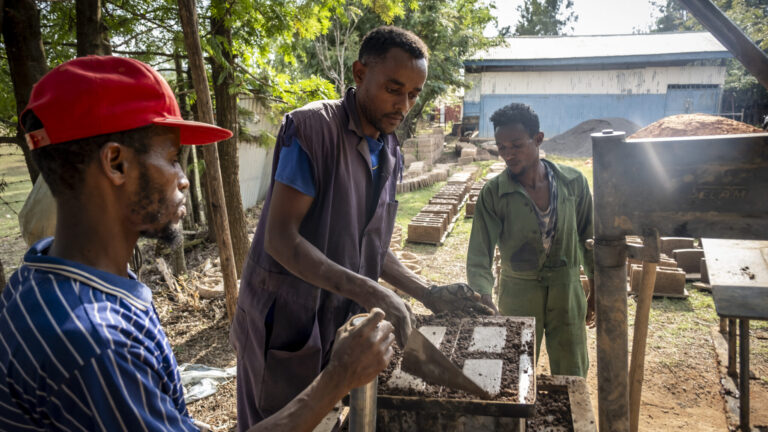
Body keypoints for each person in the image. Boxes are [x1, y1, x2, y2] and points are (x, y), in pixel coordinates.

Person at [0, 55, 396, 432]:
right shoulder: (95, 344)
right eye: (173, 158)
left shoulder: (45, 275)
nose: (184, 178)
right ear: (116, 163)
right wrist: (338, 377)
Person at [231, 25, 491, 428]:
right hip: (287, 322)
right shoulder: (312, 129)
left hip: (338, 318)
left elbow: (369, 243)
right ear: (358, 74)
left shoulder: (389, 150)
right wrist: (371, 290)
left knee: (332, 415)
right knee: (283, 422)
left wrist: (427, 292)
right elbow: (281, 239)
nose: (404, 105)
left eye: (414, 94)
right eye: (393, 89)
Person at [466, 103, 595, 378]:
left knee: (572, 373)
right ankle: (517, 422)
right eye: (501, 147)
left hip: (567, 292)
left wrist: (596, 286)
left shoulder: (574, 183)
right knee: (512, 372)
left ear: (538, 139)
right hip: (517, 293)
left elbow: (589, 238)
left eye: (516, 145)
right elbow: (479, 254)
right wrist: (484, 297)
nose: (508, 154)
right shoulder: (494, 194)